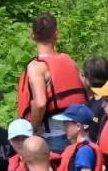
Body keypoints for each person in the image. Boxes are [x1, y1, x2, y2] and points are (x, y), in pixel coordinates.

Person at [15, 13, 87, 150]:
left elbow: (41, 103)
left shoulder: (37, 67)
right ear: (56, 34)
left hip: (53, 137)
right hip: (78, 133)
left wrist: (33, 129)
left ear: (32, 35)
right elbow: (85, 88)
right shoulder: (69, 60)